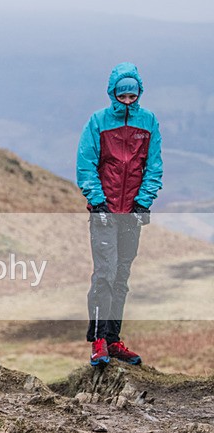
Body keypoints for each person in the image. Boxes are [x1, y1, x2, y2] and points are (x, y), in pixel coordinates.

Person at [76, 62, 163, 367]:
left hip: (132, 213)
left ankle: (114, 341)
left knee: (122, 276)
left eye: (132, 95)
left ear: (139, 94)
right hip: (105, 211)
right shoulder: (98, 122)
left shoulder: (148, 122)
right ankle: (98, 342)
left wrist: (143, 203)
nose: (128, 100)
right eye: (122, 95)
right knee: (105, 275)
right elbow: (85, 164)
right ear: (112, 93)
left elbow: (154, 167)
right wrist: (97, 202)